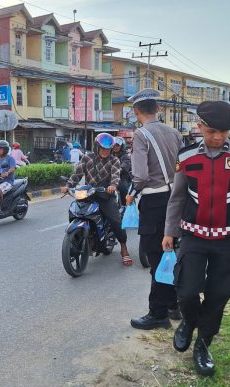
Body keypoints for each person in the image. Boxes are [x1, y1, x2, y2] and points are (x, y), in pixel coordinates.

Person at [163, 101, 230, 376]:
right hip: (193, 235)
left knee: (219, 294)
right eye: (211, 131)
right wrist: (169, 231)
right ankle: (188, 321)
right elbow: (177, 197)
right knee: (186, 290)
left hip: (227, 238)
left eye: (223, 131)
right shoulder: (186, 157)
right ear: (199, 128)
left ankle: (203, 345)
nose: (218, 137)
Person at [127, 88, 184, 331]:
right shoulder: (175, 132)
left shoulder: (141, 135)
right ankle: (173, 305)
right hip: (176, 198)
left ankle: (157, 313)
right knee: (171, 252)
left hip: (154, 201)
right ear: (158, 109)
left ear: (136, 112)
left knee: (157, 257)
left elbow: (139, 176)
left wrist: (132, 191)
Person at [62, 133, 133, 266]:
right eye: (103, 149)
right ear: (97, 147)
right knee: (76, 210)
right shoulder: (87, 158)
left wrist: (112, 186)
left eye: (108, 149)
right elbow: (77, 174)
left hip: (105, 194)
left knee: (115, 220)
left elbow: (116, 176)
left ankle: (124, 248)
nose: (106, 152)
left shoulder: (114, 160)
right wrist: (68, 186)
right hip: (88, 193)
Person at [113, 136, 131, 205]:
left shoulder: (125, 156)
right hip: (110, 177)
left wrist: (119, 169)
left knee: (122, 187)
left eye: (117, 145)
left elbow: (125, 166)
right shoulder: (110, 155)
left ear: (122, 146)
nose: (115, 147)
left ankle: (125, 205)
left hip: (121, 178)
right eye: (114, 145)